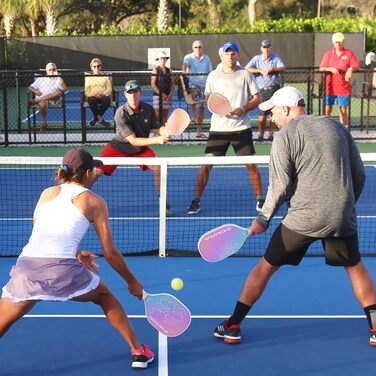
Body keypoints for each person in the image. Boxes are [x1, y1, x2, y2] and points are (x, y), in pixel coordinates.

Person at [213, 86, 376, 347]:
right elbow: (360, 174)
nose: (272, 118)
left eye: (275, 112)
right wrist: (344, 206)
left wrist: (263, 219)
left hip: (303, 219)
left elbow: (278, 186)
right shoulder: (338, 128)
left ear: (287, 109)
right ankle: (375, 327)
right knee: (355, 266)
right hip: (341, 215)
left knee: (266, 267)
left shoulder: (285, 136)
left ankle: (232, 326)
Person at [0, 148, 155, 369]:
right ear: (87, 173)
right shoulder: (94, 202)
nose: (98, 173)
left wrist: (76, 252)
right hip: (61, 271)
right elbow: (109, 252)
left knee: (3, 318)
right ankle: (138, 351)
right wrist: (131, 281)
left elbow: (44, 232)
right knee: (105, 297)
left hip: (28, 268)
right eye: (94, 170)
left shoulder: (47, 193)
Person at [187, 41, 264, 215]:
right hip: (218, 130)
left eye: (233, 53)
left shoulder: (246, 75)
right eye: (227, 53)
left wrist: (243, 109)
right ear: (221, 56)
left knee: (251, 165)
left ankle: (260, 200)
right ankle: (195, 201)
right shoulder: (213, 75)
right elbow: (208, 98)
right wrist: (218, 107)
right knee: (206, 166)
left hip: (241, 129)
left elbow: (257, 97)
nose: (230, 56)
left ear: (237, 55)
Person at [98, 80, 172, 216]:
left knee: (159, 167)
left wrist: (164, 131)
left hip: (140, 150)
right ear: (125, 95)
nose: (133, 96)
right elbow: (132, 140)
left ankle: (164, 203)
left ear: (140, 93)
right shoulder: (120, 113)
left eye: (135, 92)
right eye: (130, 93)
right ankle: (79, 202)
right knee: (94, 172)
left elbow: (158, 128)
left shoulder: (148, 109)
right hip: (118, 148)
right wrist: (157, 140)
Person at [245, 39, 286, 142]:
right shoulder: (257, 59)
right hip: (262, 91)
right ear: (261, 49)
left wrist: (271, 70)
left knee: (273, 114)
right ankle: (261, 135)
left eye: (268, 47)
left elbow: (282, 68)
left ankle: (271, 135)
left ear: (270, 48)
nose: (266, 49)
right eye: (264, 47)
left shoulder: (275, 57)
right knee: (262, 116)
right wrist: (259, 70)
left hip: (274, 89)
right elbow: (247, 68)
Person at [319, 32, 360, 127]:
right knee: (328, 108)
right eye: (336, 42)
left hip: (343, 87)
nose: (338, 44)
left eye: (340, 42)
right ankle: (326, 127)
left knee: (343, 110)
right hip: (330, 87)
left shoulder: (349, 53)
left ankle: (344, 129)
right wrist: (330, 69)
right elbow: (321, 68)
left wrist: (350, 69)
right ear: (333, 42)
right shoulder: (328, 54)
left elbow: (356, 66)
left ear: (343, 42)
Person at [182, 40, 213, 138]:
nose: (197, 49)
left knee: (202, 109)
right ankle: (193, 116)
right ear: (192, 48)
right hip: (193, 85)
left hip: (204, 86)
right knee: (192, 95)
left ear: (202, 48)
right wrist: (184, 72)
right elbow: (185, 66)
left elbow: (210, 72)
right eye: (195, 47)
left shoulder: (207, 58)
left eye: (199, 47)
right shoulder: (188, 57)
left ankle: (199, 132)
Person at [27, 62, 67, 132]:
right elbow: (30, 87)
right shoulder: (41, 79)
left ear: (56, 70)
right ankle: (44, 121)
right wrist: (35, 91)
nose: (52, 71)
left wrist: (59, 77)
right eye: (50, 70)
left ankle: (35, 101)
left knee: (58, 92)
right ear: (46, 71)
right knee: (42, 103)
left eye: (53, 69)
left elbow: (64, 89)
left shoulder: (58, 79)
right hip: (42, 102)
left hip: (54, 100)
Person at [84, 57, 113, 127]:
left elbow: (109, 89)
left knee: (107, 99)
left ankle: (95, 119)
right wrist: (94, 94)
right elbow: (87, 90)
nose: (96, 68)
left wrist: (103, 94)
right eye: (95, 66)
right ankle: (100, 119)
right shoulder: (88, 77)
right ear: (92, 68)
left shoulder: (106, 76)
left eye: (98, 66)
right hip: (93, 96)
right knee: (91, 99)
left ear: (100, 67)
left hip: (103, 96)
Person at [151, 51, 175, 125]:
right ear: (158, 59)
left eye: (165, 58)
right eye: (161, 58)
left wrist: (170, 94)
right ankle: (157, 132)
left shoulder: (169, 70)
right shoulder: (155, 70)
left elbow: (172, 83)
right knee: (157, 115)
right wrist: (161, 94)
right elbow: (153, 84)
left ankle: (164, 132)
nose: (163, 60)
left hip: (167, 96)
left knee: (165, 115)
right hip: (157, 96)